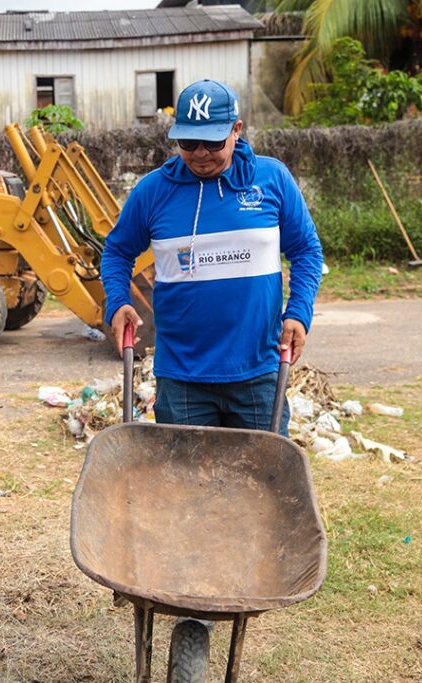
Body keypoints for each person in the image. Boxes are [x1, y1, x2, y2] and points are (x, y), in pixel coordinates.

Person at [101, 79, 323, 436]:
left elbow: (306, 250)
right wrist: (117, 302)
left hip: (257, 373)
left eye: (213, 142)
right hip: (182, 378)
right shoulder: (152, 192)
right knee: (187, 486)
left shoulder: (272, 179)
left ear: (237, 130)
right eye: (188, 143)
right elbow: (117, 251)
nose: (200, 154)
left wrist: (299, 312)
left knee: (260, 485)